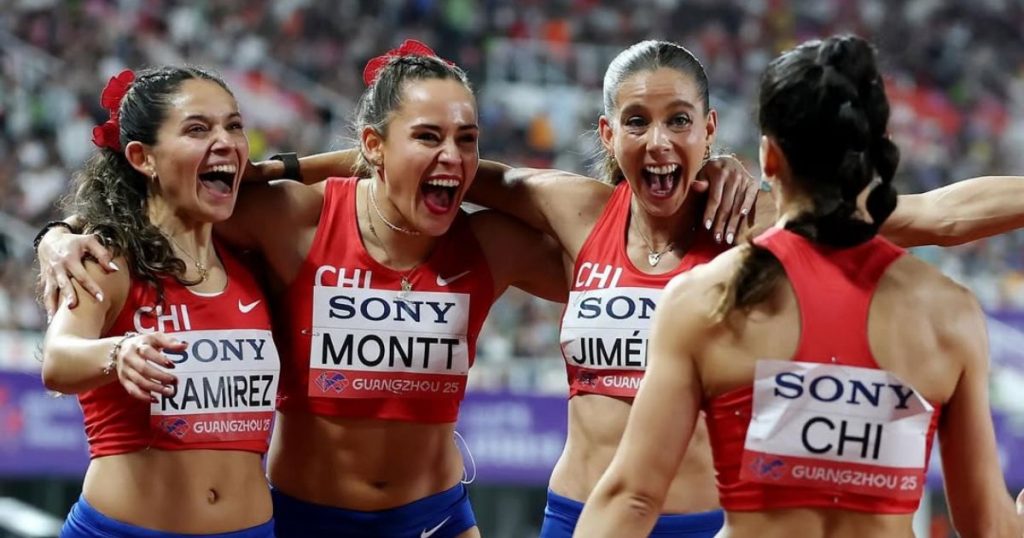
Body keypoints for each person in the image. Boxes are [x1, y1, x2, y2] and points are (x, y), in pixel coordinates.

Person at [40, 41, 574, 538]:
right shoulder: (289, 221)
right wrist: (58, 235)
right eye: (427, 137)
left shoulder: (488, 244)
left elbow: (600, 250)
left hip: (432, 518)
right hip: (298, 517)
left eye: (468, 140)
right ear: (373, 144)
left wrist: (489, 177)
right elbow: (154, 207)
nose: (452, 155)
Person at [574, 35, 1024, 537]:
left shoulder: (703, 301)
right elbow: (987, 525)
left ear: (767, 158)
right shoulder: (949, 314)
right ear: (878, 156)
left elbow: (632, 499)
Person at [40, 67, 278, 537]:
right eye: (197, 129)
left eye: (233, 126)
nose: (226, 141)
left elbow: (368, 167)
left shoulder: (258, 258)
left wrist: (277, 168)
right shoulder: (104, 258)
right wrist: (119, 351)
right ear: (141, 157)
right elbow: (58, 359)